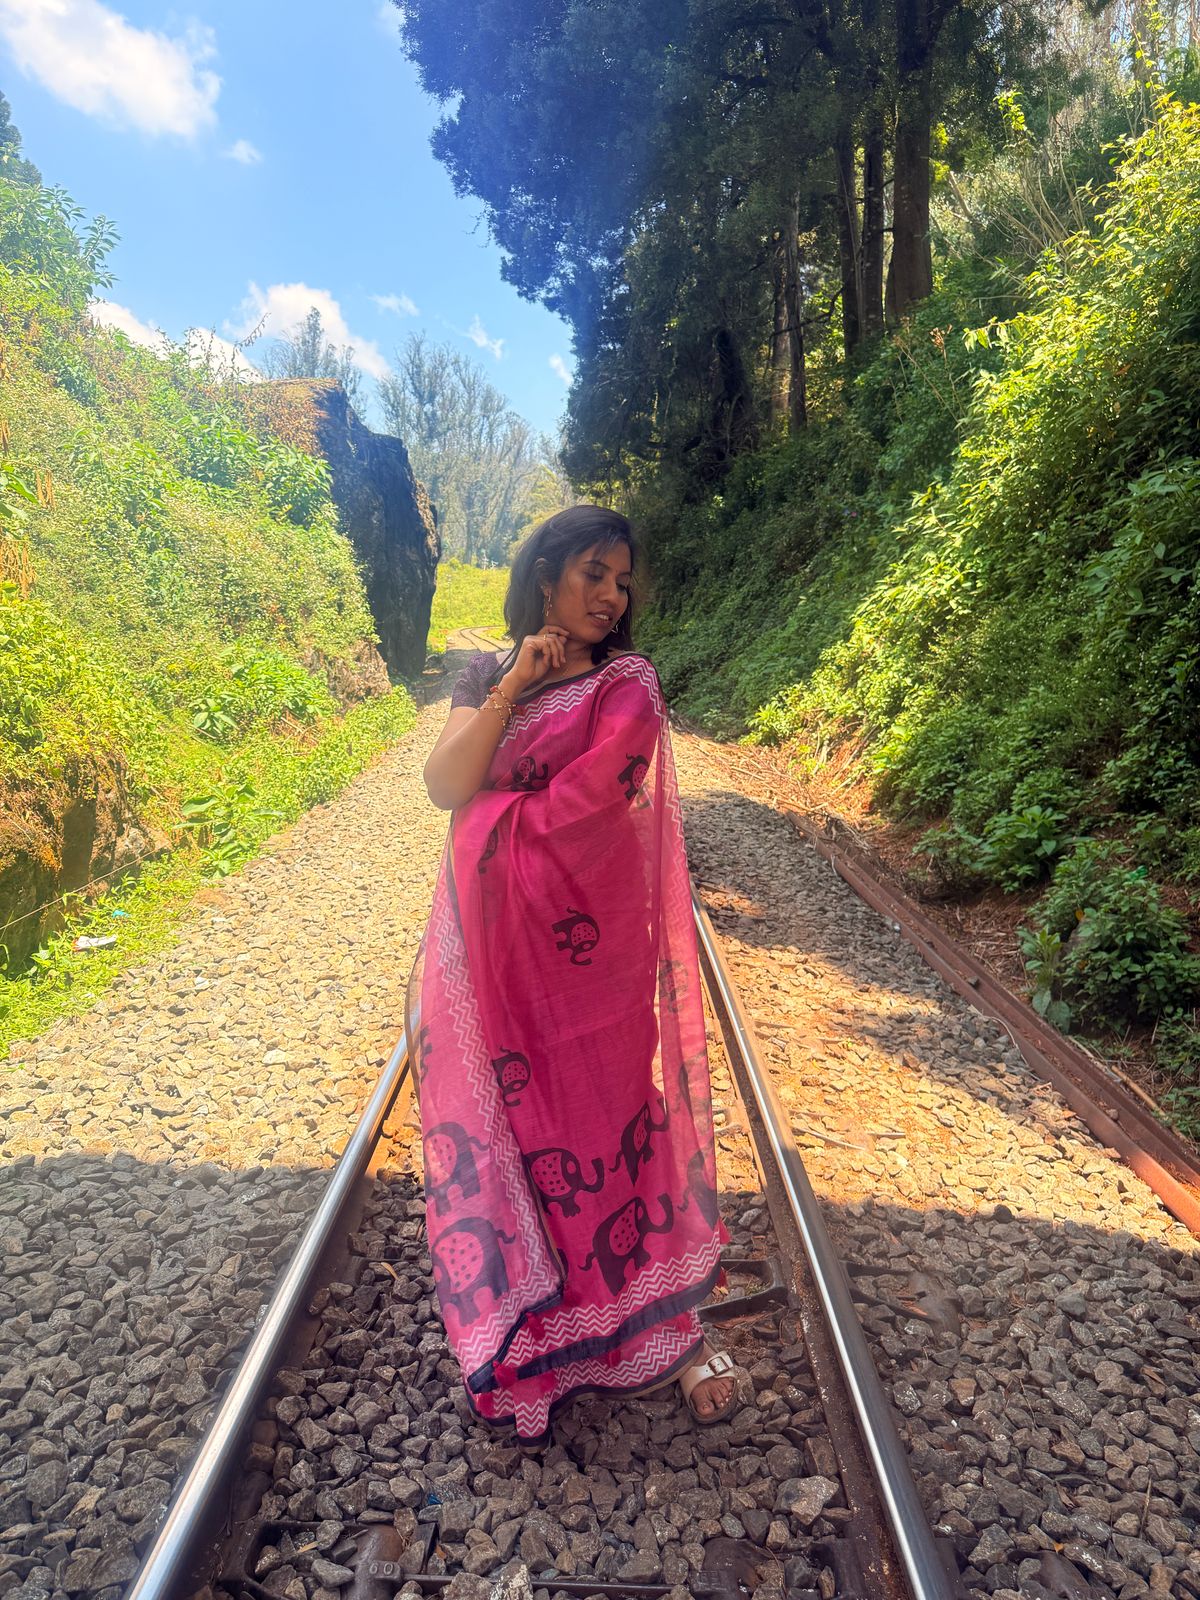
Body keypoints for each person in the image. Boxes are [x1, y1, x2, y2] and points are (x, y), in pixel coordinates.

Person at [406, 503, 738, 1447]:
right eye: (594, 573)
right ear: (546, 575)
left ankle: (662, 1324)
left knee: (606, 1120)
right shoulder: (488, 674)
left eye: (622, 581)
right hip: (494, 950)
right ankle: (553, 1337)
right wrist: (514, 684)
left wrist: (489, 818)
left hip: (595, 952)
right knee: (519, 1133)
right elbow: (445, 786)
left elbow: (587, 804)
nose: (612, 596)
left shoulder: (628, 683)